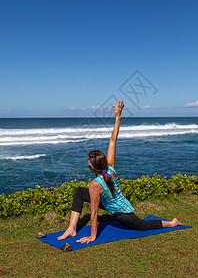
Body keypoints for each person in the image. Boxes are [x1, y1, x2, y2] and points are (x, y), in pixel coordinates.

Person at [57, 100, 183, 244]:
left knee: (142, 226)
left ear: (92, 168)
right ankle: (71, 228)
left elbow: (94, 213)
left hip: (122, 213)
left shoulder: (95, 185)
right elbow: (113, 140)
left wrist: (92, 236)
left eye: (88, 163)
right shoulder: (109, 167)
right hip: (109, 202)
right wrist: (118, 116)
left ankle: (172, 223)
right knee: (79, 192)